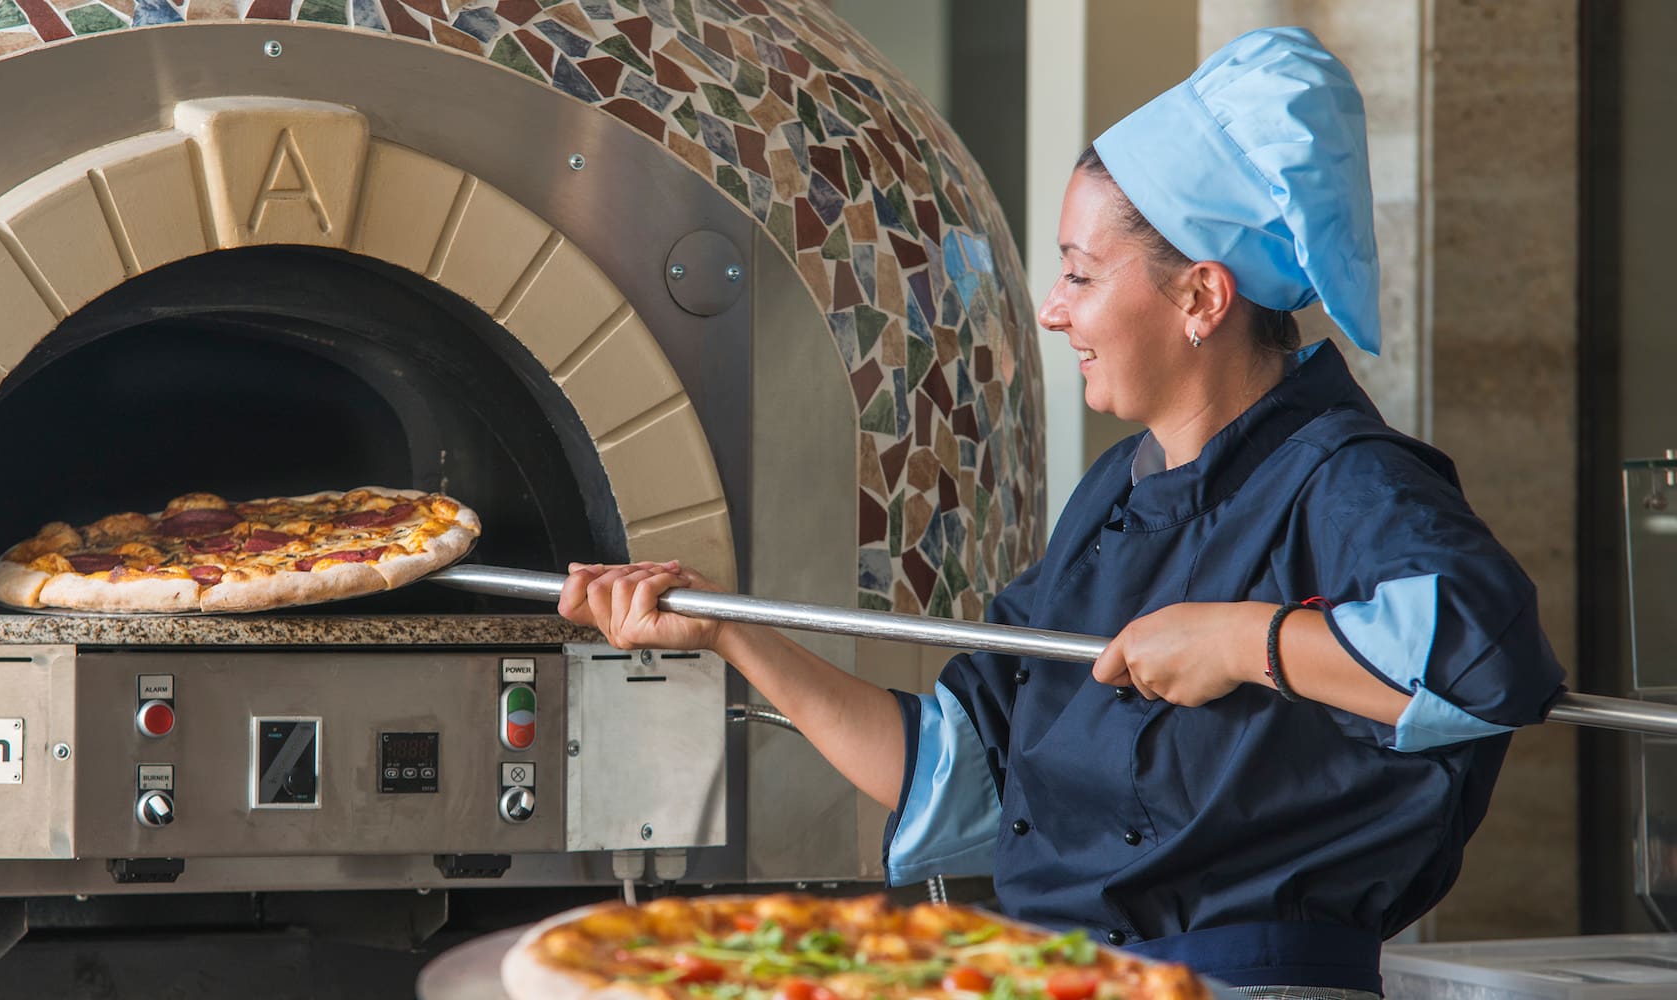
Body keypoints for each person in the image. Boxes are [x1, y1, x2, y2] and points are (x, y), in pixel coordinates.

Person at [557, 26, 1565, 999]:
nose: (1051, 308)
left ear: (1200, 299)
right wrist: (729, 632)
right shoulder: (1113, 491)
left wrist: (1240, 639)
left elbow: (1485, 656)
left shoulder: (1346, 479)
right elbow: (960, 770)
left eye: (1080, 273)